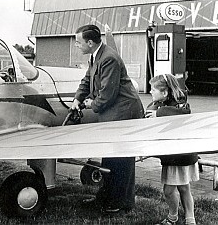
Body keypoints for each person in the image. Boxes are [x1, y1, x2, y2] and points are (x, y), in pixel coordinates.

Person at [71, 24, 144, 213]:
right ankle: (106, 198)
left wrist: (89, 104)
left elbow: (107, 95)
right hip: (114, 113)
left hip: (123, 113)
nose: (76, 45)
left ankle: (121, 203)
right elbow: (87, 81)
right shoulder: (96, 56)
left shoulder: (109, 58)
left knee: (121, 160)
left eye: (78, 42)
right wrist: (77, 98)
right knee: (110, 159)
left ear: (89, 42)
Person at [145, 74, 198, 225]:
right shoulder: (161, 104)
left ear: (165, 92)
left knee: (171, 190)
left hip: (180, 155)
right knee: (184, 187)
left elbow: (184, 113)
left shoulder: (180, 104)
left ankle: (174, 218)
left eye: (153, 89)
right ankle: (189, 219)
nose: (150, 92)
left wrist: (158, 114)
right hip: (174, 155)